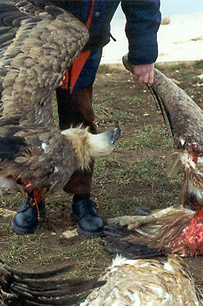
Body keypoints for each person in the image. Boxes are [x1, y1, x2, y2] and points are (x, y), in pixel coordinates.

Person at [12, 0, 161, 238]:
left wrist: (143, 53)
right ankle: (34, 193)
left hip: (86, 43)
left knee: (79, 116)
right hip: (34, 42)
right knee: (31, 119)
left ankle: (81, 196)